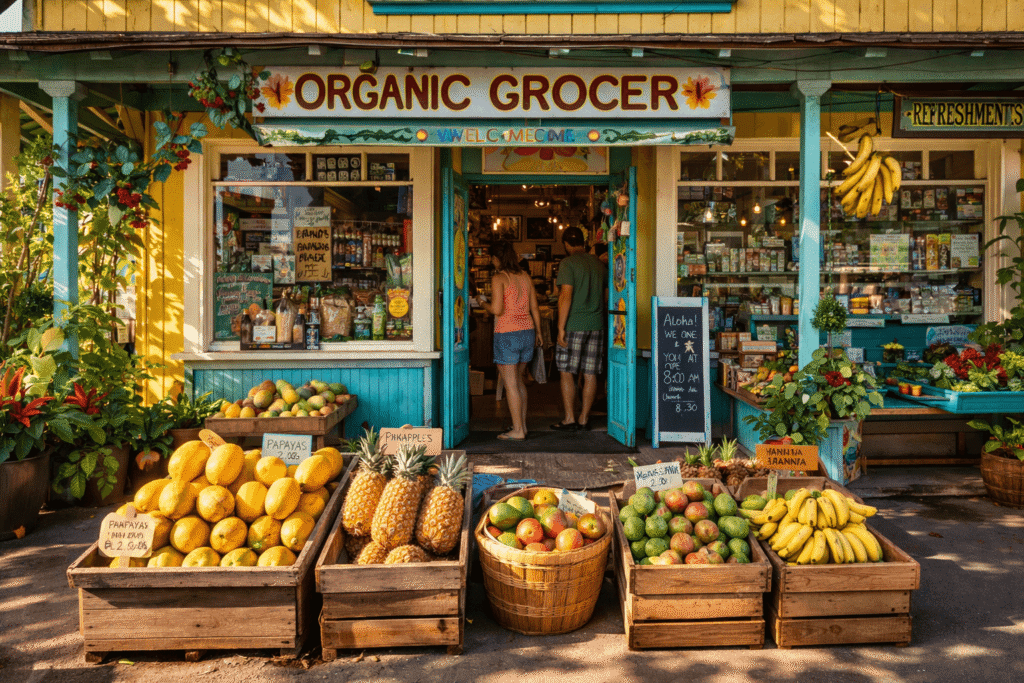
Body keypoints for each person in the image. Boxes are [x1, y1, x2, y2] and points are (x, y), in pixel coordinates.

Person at [480, 240, 543, 441]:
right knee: (519, 381)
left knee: (511, 384)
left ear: (496, 258)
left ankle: (517, 430)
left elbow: (497, 309)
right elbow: (534, 307)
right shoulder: (525, 276)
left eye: (492, 258)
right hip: (528, 332)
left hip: (508, 334)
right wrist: (539, 333)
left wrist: (482, 303)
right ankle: (521, 426)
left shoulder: (499, 278)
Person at [552, 227, 607, 431]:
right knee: (590, 373)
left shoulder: (568, 263)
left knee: (567, 372)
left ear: (566, 244)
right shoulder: (599, 264)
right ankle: (584, 418)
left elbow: (565, 295)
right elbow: (607, 297)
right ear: (583, 242)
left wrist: (560, 328)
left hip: (574, 324)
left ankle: (569, 418)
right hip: (596, 325)